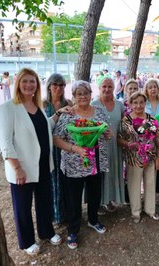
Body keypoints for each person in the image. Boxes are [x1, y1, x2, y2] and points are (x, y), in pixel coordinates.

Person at [0, 68, 68, 255]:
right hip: (22, 167)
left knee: (44, 202)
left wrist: (58, 114)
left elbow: (45, 128)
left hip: (43, 165)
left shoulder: (38, 107)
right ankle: (27, 240)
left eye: (33, 82)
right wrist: (17, 168)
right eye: (25, 81)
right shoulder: (8, 108)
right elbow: (5, 142)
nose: (29, 85)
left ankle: (46, 232)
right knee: (23, 206)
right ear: (18, 84)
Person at [53, 80, 110, 249]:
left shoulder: (99, 111)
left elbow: (107, 132)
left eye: (86, 93)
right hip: (73, 164)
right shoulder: (68, 115)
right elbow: (56, 139)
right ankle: (73, 230)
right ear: (74, 97)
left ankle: (93, 220)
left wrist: (108, 133)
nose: (83, 96)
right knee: (73, 199)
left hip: (95, 161)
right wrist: (74, 148)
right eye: (79, 94)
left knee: (94, 194)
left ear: (91, 95)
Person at [118, 91, 159, 223]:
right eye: (135, 102)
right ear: (130, 104)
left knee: (150, 183)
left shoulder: (152, 119)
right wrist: (129, 144)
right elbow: (119, 139)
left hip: (150, 157)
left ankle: (150, 210)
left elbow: (158, 139)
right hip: (134, 158)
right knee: (134, 184)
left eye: (141, 102)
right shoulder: (126, 120)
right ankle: (136, 212)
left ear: (145, 103)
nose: (138, 105)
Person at [91, 77, 125, 213]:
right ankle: (98, 202)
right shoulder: (94, 104)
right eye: (104, 86)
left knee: (112, 173)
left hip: (116, 145)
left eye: (110, 86)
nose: (107, 89)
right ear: (99, 88)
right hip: (99, 147)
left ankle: (109, 199)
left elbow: (124, 125)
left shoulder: (119, 105)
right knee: (101, 174)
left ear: (114, 88)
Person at [43, 73, 73, 225]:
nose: (59, 88)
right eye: (55, 85)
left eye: (62, 85)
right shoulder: (42, 104)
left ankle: (67, 213)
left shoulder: (68, 102)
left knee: (65, 180)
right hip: (49, 148)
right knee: (52, 180)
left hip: (65, 147)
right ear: (49, 86)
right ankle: (55, 215)